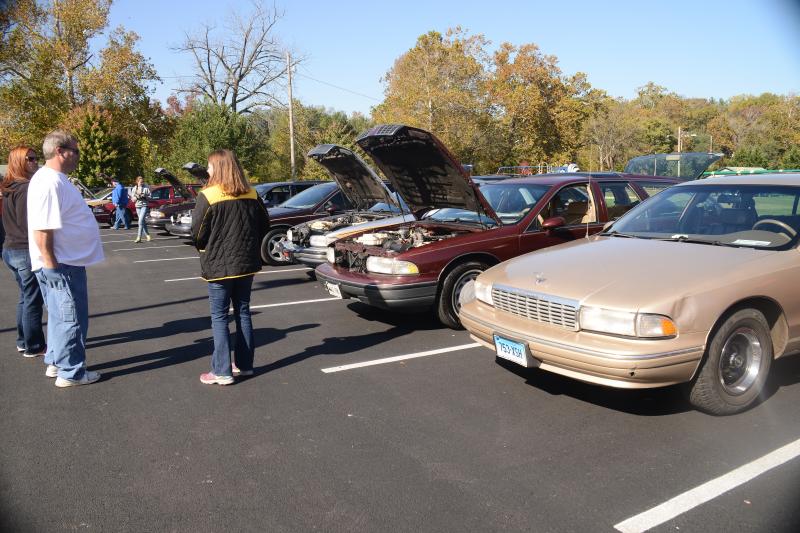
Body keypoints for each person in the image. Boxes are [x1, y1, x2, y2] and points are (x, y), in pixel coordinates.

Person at [28, 130, 104, 387]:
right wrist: (52, 267)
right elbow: (42, 230)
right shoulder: (50, 182)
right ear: (60, 151)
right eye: (76, 151)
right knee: (71, 318)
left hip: (62, 263)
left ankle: (56, 362)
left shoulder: (53, 179)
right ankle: (71, 373)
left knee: (61, 317)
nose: (78, 156)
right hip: (61, 264)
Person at [191, 149, 269, 385]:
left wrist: (206, 249)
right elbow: (264, 225)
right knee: (243, 312)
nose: (208, 170)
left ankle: (222, 371)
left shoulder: (209, 195)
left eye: (210, 166)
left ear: (219, 167)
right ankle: (244, 366)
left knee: (219, 317)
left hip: (219, 265)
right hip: (246, 263)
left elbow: (197, 232)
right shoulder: (252, 193)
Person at [2, 146, 46, 357]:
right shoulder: (26, 187)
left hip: (10, 250)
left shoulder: (9, 186)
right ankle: (34, 345)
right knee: (33, 299)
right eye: (30, 158)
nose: (35, 161)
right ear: (19, 161)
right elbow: (28, 223)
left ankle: (23, 340)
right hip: (23, 250)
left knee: (25, 296)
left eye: (36, 157)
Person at [131, 176, 151, 243]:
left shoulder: (146, 188)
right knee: (142, 221)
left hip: (144, 206)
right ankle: (147, 234)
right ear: (137, 182)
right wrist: (137, 196)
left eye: (142, 182)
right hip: (138, 206)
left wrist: (144, 196)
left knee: (140, 221)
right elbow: (132, 200)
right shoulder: (134, 189)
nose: (142, 183)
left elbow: (150, 197)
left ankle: (139, 237)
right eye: (140, 182)